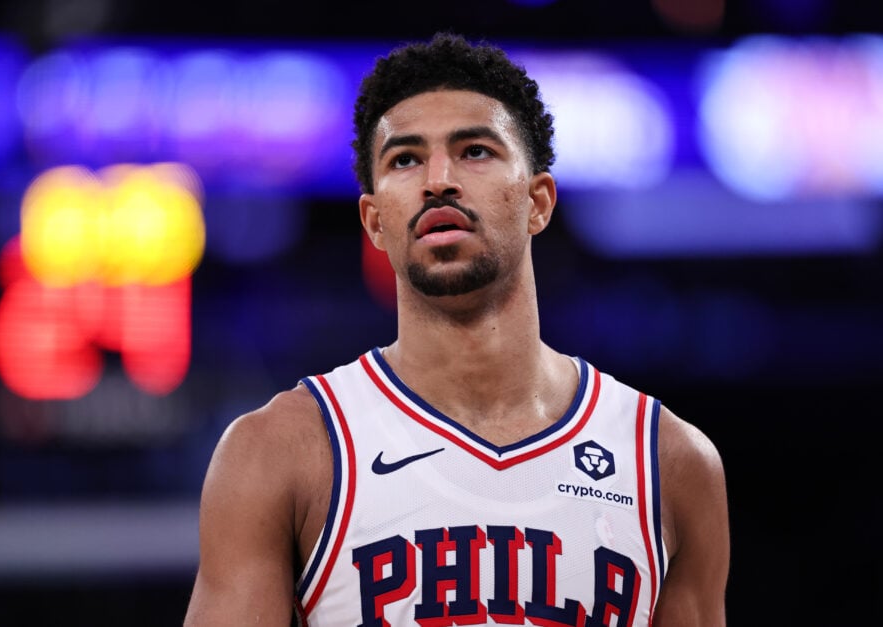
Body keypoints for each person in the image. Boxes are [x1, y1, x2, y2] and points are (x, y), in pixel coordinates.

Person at [184, 32, 729, 627]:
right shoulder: (281, 450)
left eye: (474, 151)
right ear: (374, 220)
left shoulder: (668, 459)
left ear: (538, 201)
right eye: (405, 159)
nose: (438, 179)